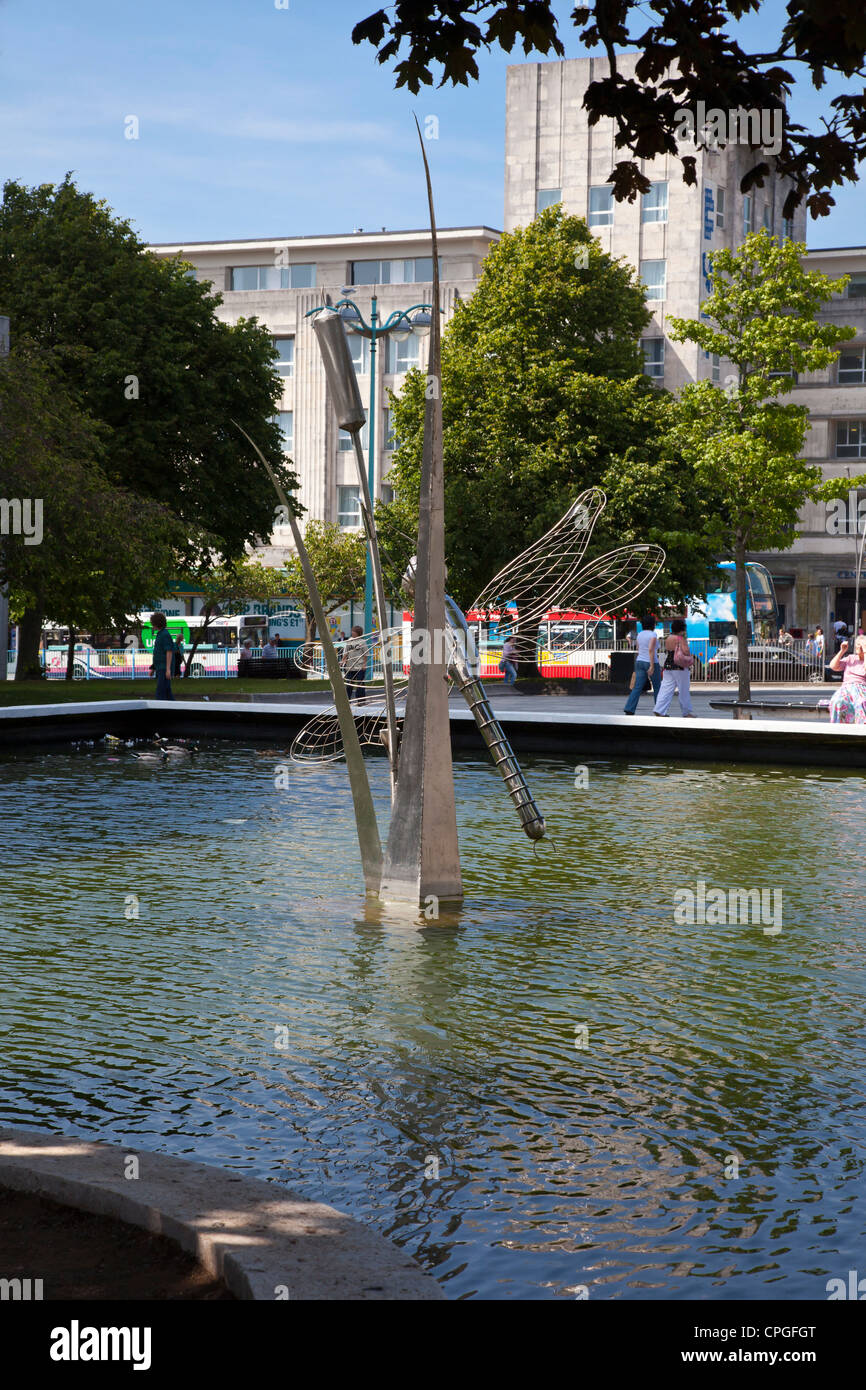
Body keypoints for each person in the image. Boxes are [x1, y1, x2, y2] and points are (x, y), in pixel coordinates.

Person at [654, 618, 695, 718]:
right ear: (682, 629)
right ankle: (687, 712)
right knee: (683, 689)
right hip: (680, 666)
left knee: (665, 688)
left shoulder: (669, 638)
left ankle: (659, 709)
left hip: (668, 665)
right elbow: (686, 651)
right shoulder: (680, 639)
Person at [623, 616, 661, 714]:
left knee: (637, 687)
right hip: (651, 662)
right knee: (657, 687)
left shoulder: (639, 634)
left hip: (639, 661)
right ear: (653, 624)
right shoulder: (653, 634)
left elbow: (638, 648)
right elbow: (651, 650)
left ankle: (629, 708)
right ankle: (659, 710)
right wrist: (652, 665)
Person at [828, 636, 866, 723]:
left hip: (862, 688)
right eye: (857, 644)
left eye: (861, 645)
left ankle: (862, 730)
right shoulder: (850, 658)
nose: (857, 647)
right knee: (837, 701)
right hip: (846, 688)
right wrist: (842, 651)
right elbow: (833, 666)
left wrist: (865, 651)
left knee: (861, 703)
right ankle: (838, 728)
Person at [150, 612, 174, 701]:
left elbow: (169, 651)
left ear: (156, 624)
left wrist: (168, 669)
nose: (152, 625)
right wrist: (153, 668)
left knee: (161, 691)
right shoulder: (160, 634)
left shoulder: (165, 635)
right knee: (166, 691)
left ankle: (160, 707)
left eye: (152, 623)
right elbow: (158, 653)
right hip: (160, 667)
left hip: (163, 667)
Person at [342, 625, 368, 701]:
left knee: (360, 684)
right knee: (349, 684)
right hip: (350, 667)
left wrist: (364, 664)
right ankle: (347, 700)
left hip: (359, 666)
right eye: (352, 631)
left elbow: (365, 654)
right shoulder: (349, 641)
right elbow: (346, 652)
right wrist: (343, 660)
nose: (352, 633)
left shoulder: (362, 642)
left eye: (353, 631)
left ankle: (361, 700)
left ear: (358, 633)